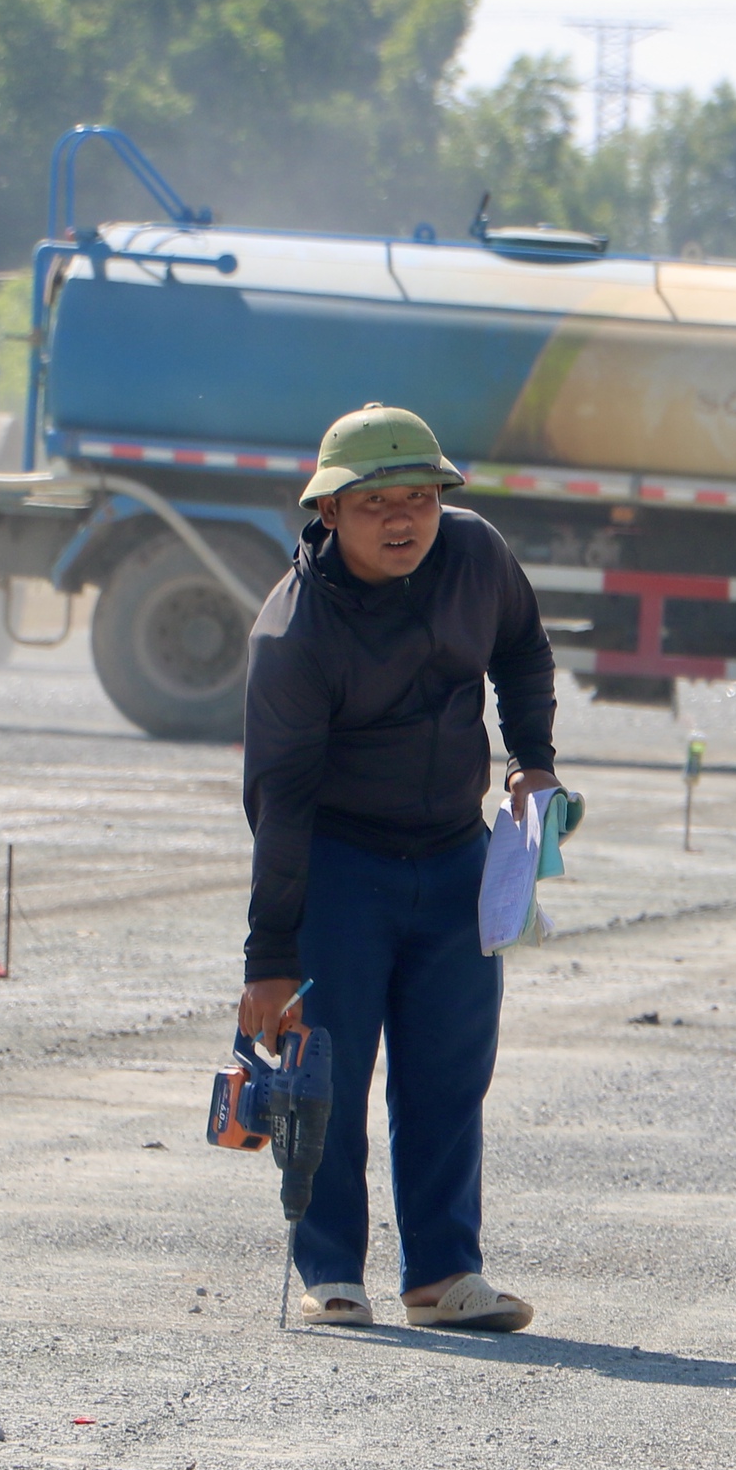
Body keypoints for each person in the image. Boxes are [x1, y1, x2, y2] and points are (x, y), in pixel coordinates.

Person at [237, 403, 562, 1332]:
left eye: (419, 497)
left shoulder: (476, 556)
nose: (402, 519)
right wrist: (270, 958)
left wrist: (531, 760)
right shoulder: (294, 633)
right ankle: (331, 1271)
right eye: (375, 501)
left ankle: (443, 1276)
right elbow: (279, 804)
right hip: (342, 867)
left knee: (450, 1072)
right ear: (329, 511)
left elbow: (522, 650)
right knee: (326, 1076)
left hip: (458, 856)